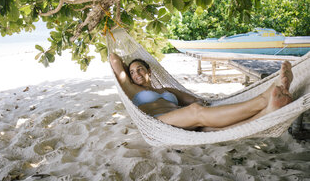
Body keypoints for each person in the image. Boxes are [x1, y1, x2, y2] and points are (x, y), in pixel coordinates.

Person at [109, 53, 293, 131]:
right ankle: (264, 98)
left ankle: (268, 111)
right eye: (132, 72)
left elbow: (197, 100)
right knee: (195, 111)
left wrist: (214, 104)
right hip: (158, 123)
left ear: (149, 71)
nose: (136, 74)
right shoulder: (132, 89)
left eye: (140, 69)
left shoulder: (167, 90)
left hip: (183, 120)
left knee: (211, 128)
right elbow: (114, 60)